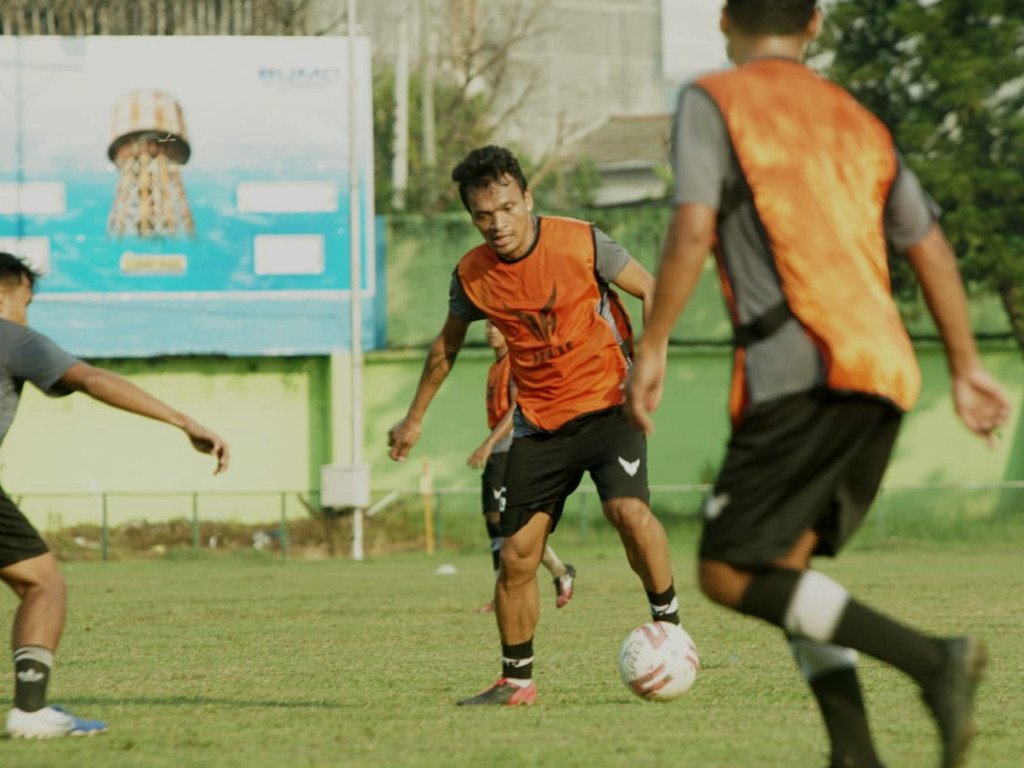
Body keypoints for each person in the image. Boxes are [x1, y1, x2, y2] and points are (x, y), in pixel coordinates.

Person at [624, 2, 1011, 767]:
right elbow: (928, 246)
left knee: (728, 573)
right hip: (885, 374)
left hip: (802, 373)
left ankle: (933, 660)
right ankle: (854, 752)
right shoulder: (854, 118)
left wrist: (654, 342)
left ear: (727, 20)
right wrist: (965, 366)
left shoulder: (714, 98)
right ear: (816, 25)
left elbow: (694, 226)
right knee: (785, 571)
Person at [388, 145, 680, 707]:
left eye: (505, 208)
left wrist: (650, 369)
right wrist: (413, 417)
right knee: (518, 554)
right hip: (539, 423)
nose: (496, 224)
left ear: (527, 197)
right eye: (482, 215)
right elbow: (447, 345)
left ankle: (669, 625)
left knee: (626, 510)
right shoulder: (472, 276)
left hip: (608, 404)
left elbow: (653, 292)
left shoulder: (582, 240)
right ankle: (516, 681)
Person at [0, 252, 230, 738]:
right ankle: (31, 710)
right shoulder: (12, 338)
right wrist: (184, 421)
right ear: (3, 292)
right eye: (26, 299)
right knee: (43, 584)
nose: (27, 311)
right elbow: (92, 380)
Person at [467, 320, 575, 614]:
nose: (490, 330)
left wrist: (489, 443)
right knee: (498, 523)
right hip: (499, 451)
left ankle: (515, 589)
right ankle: (556, 570)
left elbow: (518, 406)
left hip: (511, 448)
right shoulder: (495, 367)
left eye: (496, 326)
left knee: (507, 525)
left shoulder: (514, 363)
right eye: (487, 325)